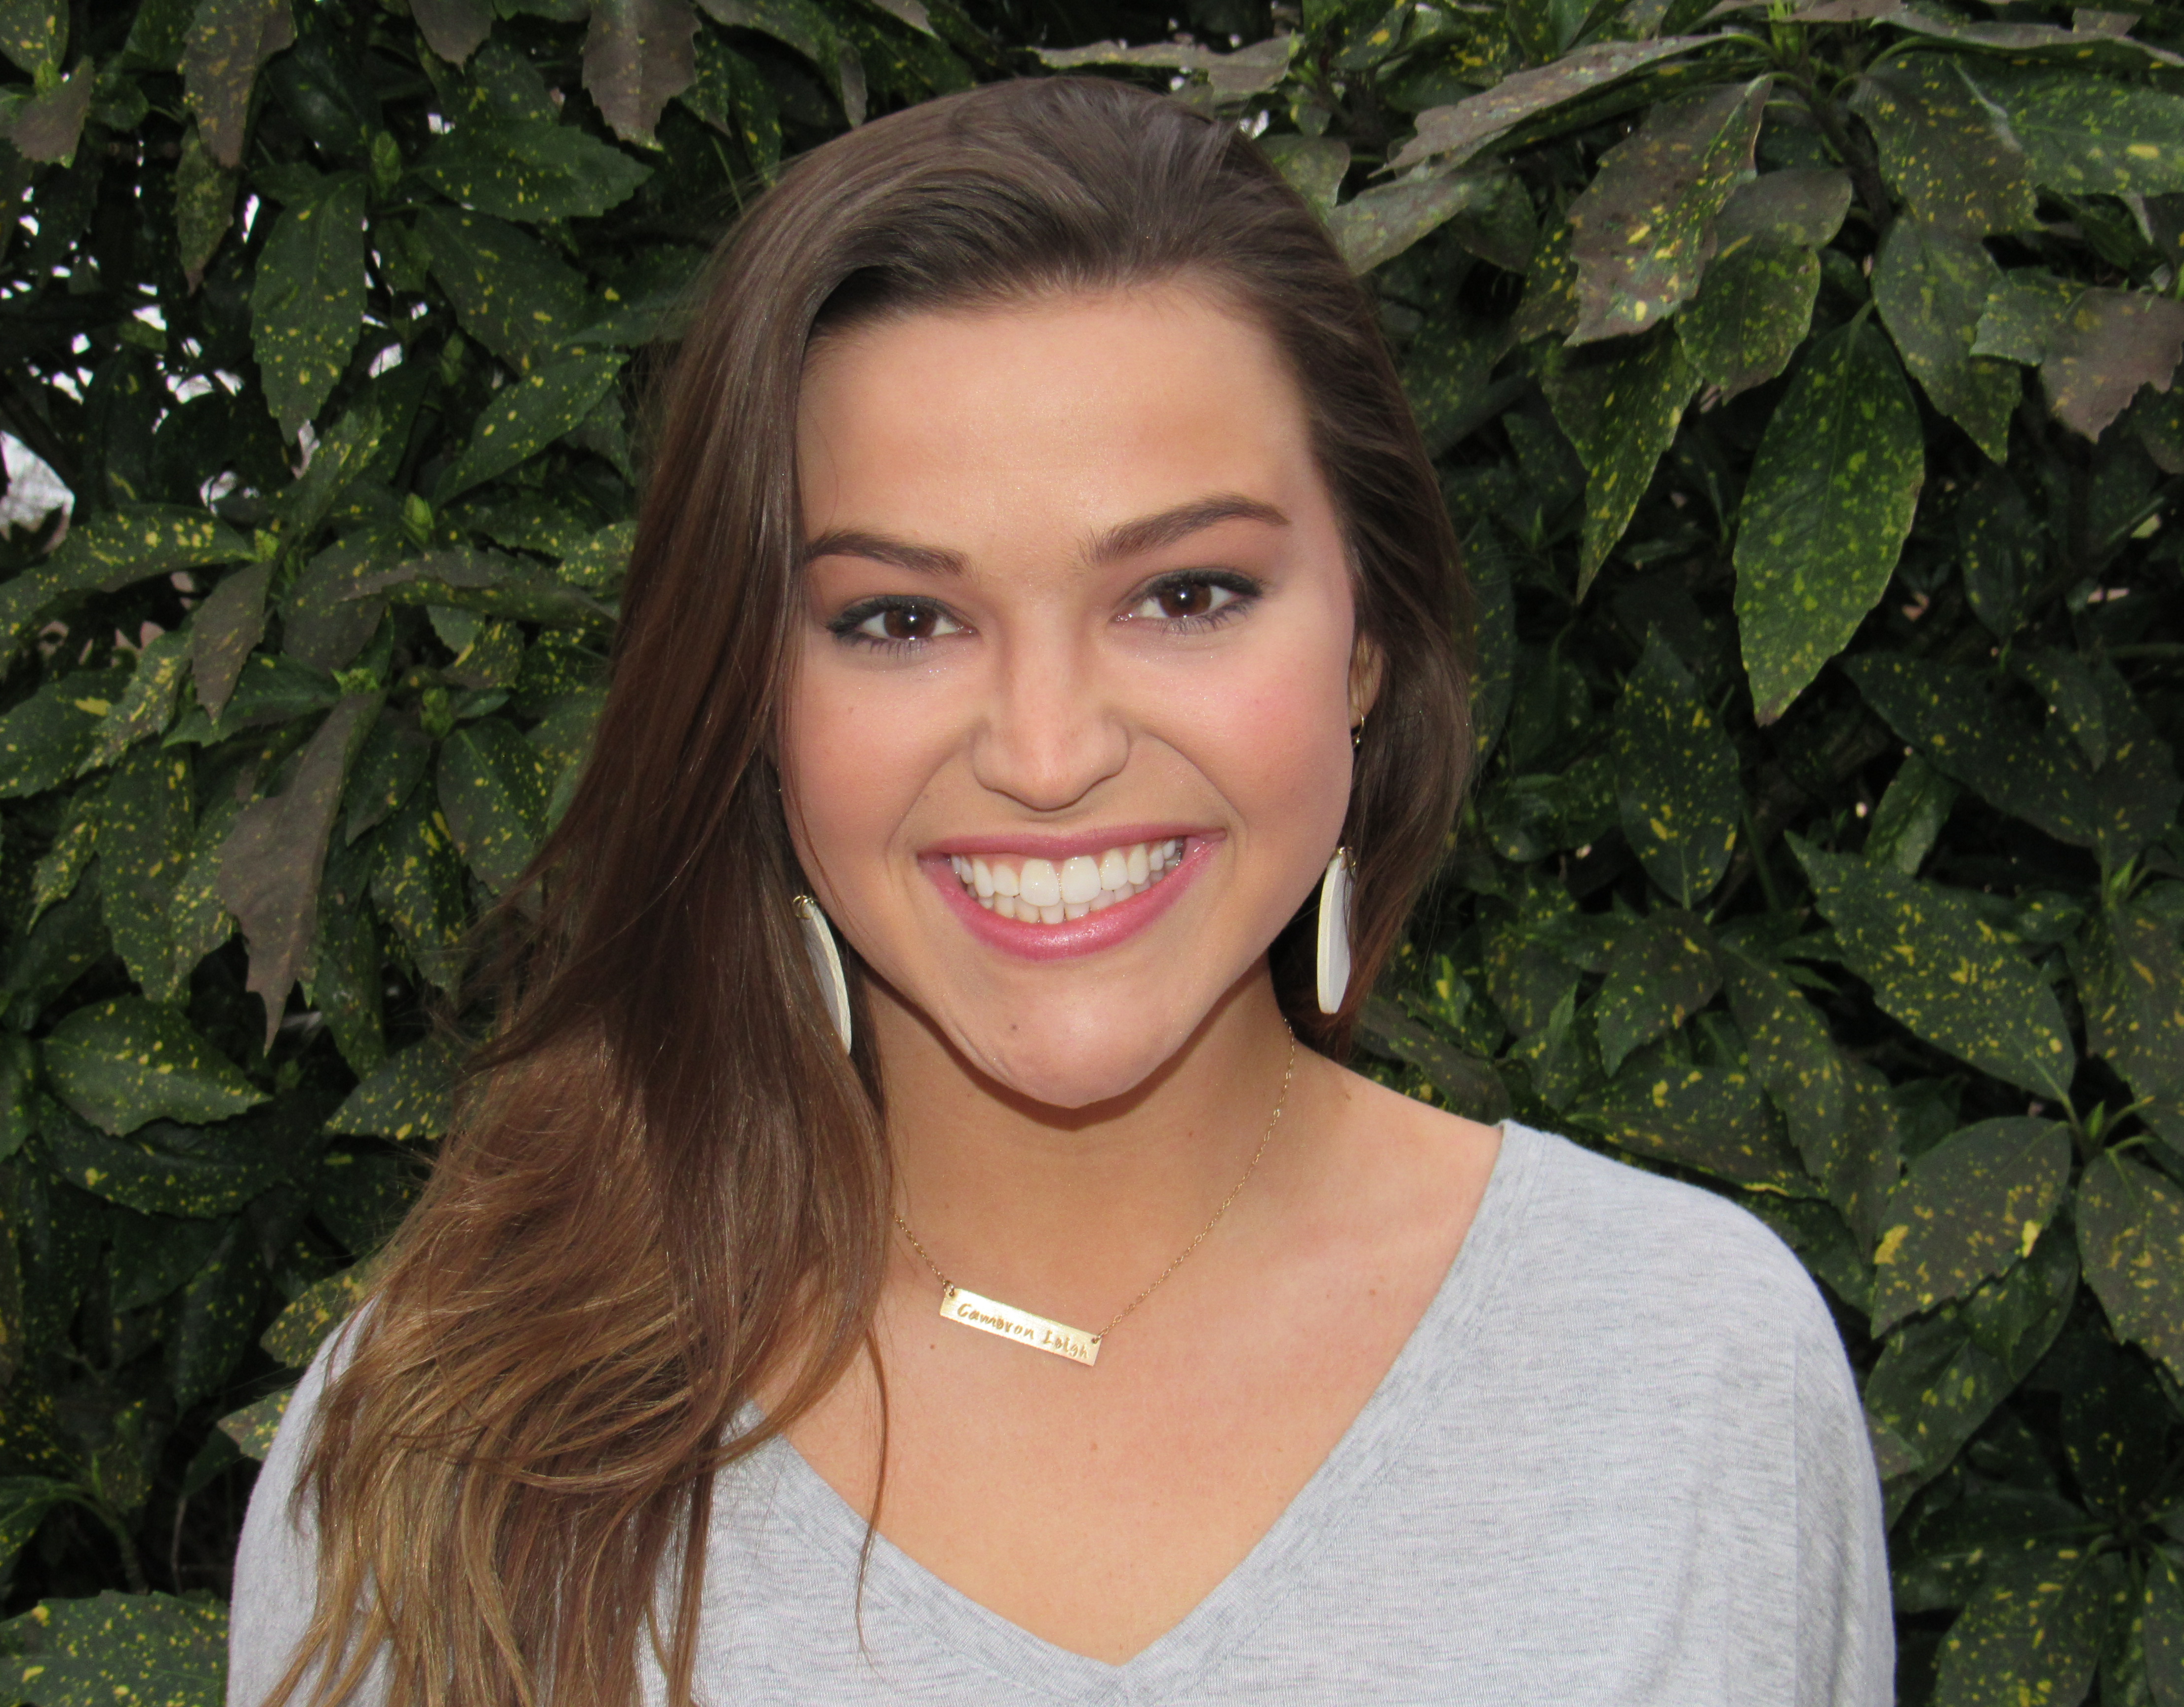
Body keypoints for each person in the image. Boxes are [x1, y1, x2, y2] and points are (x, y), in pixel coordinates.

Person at [228, 74, 1894, 1707]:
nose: (1046, 753)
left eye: (1185, 594)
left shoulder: (1691, 1368)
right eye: (899, 620)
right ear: (751, 700)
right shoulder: (460, 1438)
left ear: (1367, 640)